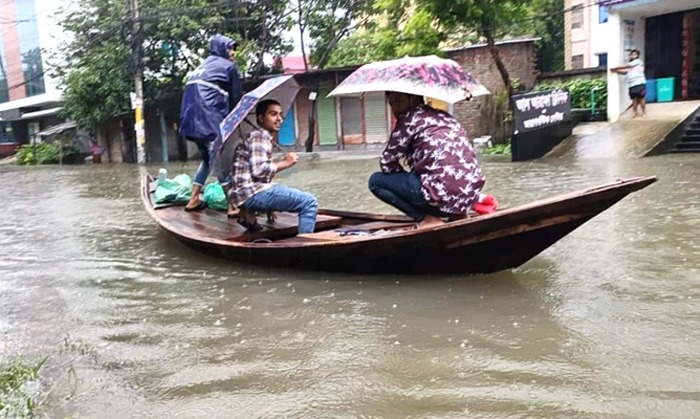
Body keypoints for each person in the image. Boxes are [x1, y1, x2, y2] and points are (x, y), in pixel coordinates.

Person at [368, 91, 485, 228]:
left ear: (406, 100)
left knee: (376, 181)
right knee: (435, 177)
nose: (393, 109)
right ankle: (458, 214)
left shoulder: (409, 119)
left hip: (441, 195)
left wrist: (405, 177)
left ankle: (426, 219)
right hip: (469, 195)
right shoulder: (445, 116)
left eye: (394, 103)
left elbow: (387, 163)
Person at [229, 99, 318, 234]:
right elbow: (259, 170)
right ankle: (305, 246)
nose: (279, 119)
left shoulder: (259, 137)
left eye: (280, 114)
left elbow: (260, 177)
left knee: (281, 188)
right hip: (251, 194)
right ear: (261, 118)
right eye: (273, 114)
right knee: (309, 202)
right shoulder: (258, 137)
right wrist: (286, 163)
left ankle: (247, 217)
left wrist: (269, 207)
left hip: (245, 194)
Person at [179, 33, 242, 213]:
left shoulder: (201, 67)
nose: (233, 53)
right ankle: (232, 205)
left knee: (208, 160)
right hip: (209, 121)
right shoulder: (228, 67)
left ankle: (193, 200)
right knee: (219, 161)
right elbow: (237, 100)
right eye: (230, 48)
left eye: (234, 49)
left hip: (190, 123)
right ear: (221, 48)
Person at [611, 49, 647, 118]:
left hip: (640, 82)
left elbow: (626, 66)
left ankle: (644, 112)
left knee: (641, 98)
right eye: (632, 54)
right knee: (634, 99)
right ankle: (634, 113)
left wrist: (615, 68)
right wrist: (616, 71)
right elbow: (624, 72)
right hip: (632, 84)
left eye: (635, 54)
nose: (633, 55)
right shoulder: (631, 66)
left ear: (637, 56)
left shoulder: (638, 62)